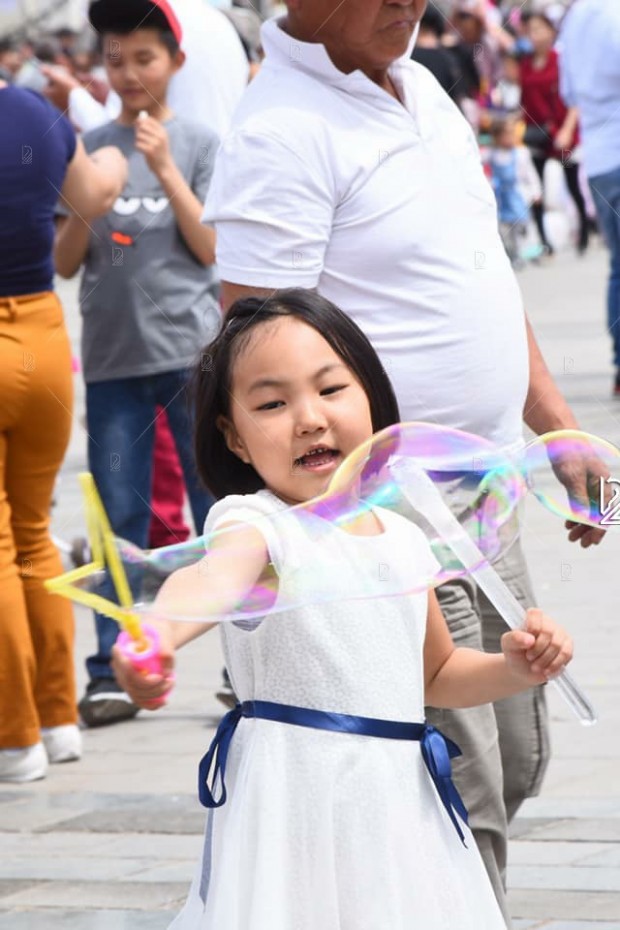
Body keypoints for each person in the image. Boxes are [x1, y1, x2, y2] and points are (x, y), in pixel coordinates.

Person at [200, 2, 605, 921]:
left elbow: (479, 269)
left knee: (518, 747)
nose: (406, 2)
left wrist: (552, 419)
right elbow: (253, 349)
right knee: (460, 774)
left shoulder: (421, 86)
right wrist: (326, 524)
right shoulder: (280, 131)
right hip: (389, 502)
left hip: (482, 484)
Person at [113, 289, 573, 930]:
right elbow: (211, 578)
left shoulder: (404, 537)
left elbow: (436, 675)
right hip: (296, 805)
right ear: (234, 437)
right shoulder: (258, 525)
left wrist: (514, 669)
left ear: (373, 399)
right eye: (271, 404)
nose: (309, 418)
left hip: (399, 809)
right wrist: (158, 634)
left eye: (331, 389)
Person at [54, 0, 219, 728]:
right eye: (115, 58)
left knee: (219, 515)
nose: (127, 73)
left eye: (144, 58)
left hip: (193, 360)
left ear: (176, 63)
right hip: (113, 363)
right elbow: (64, 261)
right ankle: (112, 670)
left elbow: (212, 250)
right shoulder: (88, 147)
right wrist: (91, 198)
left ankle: (244, 666)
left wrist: (163, 169)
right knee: (117, 518)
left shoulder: (202, 142)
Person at [0, 81, 127, 782]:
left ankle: (14, 738)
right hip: (42, 339)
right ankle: (56, 721)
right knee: (33, 534)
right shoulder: (33, 113)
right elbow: (94, 193)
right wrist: (115, 162)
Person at [559, 0, 620, 394]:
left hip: (599, 159)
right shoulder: (611, 13)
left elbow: (569, 93)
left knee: (618, 267)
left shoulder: (574, 19)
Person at [519, 11, 589, 255]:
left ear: (551, 31)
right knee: (536, 189)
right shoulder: (526, 64)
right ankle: (544, 241)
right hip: (536, 135)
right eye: (531, 31)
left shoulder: (561, 60)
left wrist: (567, 130)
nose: (535, 35)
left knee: (573, 185)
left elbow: (575, 98)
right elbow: (524, 100)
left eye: (540, 29)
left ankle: (584, 234)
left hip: (561, 133)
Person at [489, 116, 542, 266]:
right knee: (506, 227)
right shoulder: (493, 155)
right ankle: (512, 254)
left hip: (518, 194)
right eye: (506, 134)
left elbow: (530, 174)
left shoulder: (521, 153)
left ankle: (530, 251)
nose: (511, 137)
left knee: (523, 224)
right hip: (502, 197)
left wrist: (536, 191)